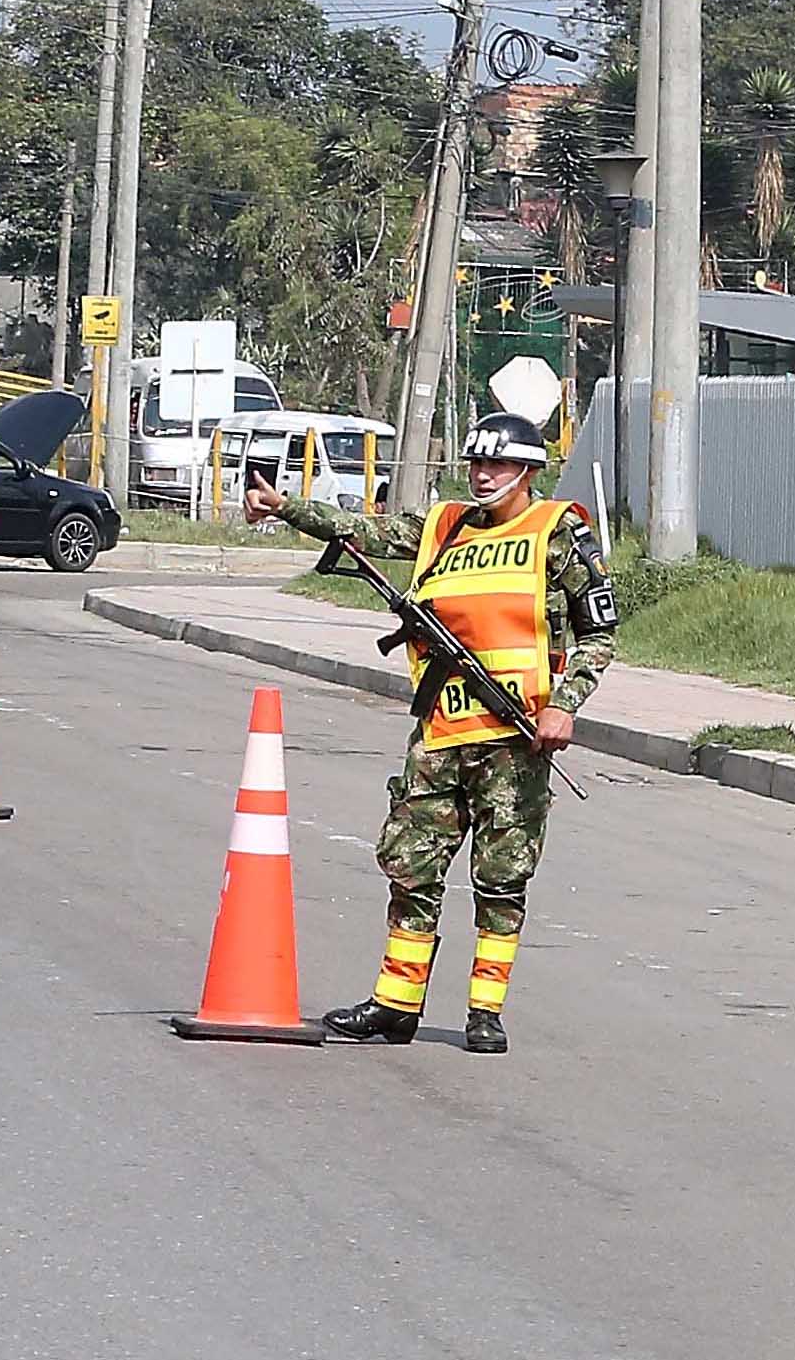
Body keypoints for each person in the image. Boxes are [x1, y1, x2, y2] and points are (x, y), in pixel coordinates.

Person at [244, 411, 616, 1056]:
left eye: (497, 464)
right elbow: (366, 531)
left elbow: (599, 632)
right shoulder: (443, 527)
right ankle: (396, 1004)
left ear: (527, 471)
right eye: (475, 462)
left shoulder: (558, 532)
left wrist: (567, 706)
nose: (482, 474)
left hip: (516, 737)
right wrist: (286, 507)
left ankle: (485, 1011)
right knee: (410, 868)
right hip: (440, 734)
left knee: (501, 878)